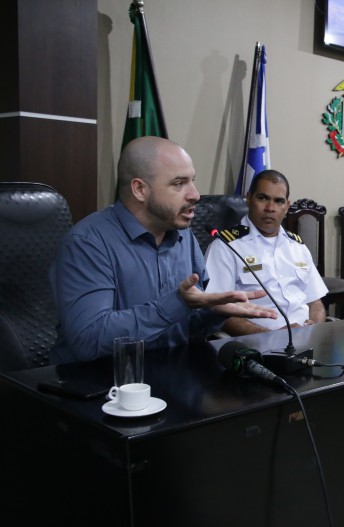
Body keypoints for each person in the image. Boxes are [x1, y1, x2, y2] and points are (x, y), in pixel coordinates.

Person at [49, 136, 276, 364]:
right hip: (104, 385)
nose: (195, 195)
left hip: (172, 375)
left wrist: (215, 312)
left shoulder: (184, 236)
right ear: (139, 189)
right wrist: (178, 303)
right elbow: (89, 339)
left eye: (192, 181)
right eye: (179, 184)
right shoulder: (88, 242)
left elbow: (189, 328)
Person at [204, 170, 328, 335]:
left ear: (287, 206)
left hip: (307, 341)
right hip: (259, 346)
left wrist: (314, 330)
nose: (270, 208)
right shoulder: (226, 247)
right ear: (249, 199)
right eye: (263, 198)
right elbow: (218, 311)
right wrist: (272, 336)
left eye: (278, 201)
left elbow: (315, 303)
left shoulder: (297, 246)